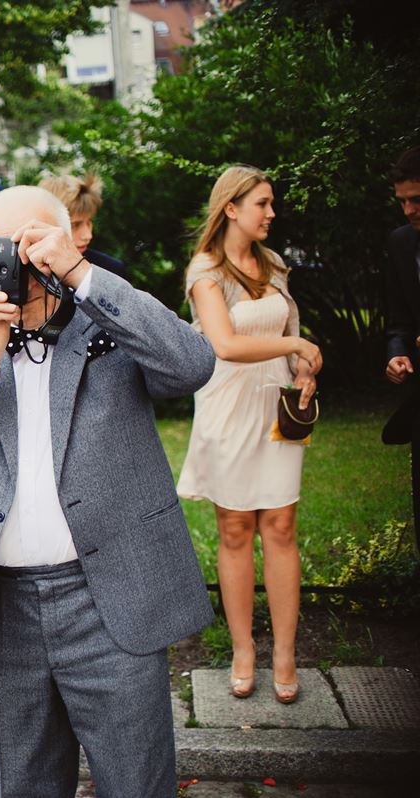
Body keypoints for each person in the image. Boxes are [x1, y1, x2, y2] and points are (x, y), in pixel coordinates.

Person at [0, 186, 215, 797]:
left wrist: (81, 274)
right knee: (25, 787)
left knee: (138, 785)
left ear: (67, 238)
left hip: (111, 600)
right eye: (7, 246)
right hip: (4, 614)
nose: (24, 260)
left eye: (36, 241)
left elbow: (192, 365)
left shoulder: (110, 320)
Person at [177, 165, 323, 706]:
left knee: (281, 524)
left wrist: (306, 367)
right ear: (231, 209)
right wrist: (295, 350)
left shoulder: (276, 266)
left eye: (271, 203)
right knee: (236, 530)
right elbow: (225, 343)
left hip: (276, 406)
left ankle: (285, 653)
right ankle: (244, 650)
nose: (271, 212)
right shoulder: (205, 271)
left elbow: (292, 334)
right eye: (262, 203)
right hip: (229, 408)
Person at [382, 146, 420, 541]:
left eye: (417, 200)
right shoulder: (400, 243)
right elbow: (399, 323)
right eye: (402, 201)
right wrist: (397, 355)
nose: (409, 210)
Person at [38, 173, 127, 278]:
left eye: (89, 221)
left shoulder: (110, 271)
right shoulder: (21, 269)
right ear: (46, 222)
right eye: (75, 225)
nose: (88, 235)